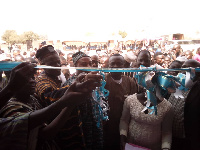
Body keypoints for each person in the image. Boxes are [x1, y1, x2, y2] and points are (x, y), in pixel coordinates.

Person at [0, 62, 102, 150]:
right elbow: (46, 134)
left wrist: (71, 101)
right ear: (12, 80)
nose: (32, 81)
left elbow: (50, 113)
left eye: (32, 77)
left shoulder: (33, 98)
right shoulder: (11, 107)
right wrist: (68, 103)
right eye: (25, 79)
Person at [120, 50, 173, 150]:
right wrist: (123, 137)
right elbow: (124, 120)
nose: (143, 63)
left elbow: (167, 132)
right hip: (131, 145)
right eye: (141, 60)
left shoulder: (167, 107)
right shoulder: (130, 100)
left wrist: (165, 147)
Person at [103, 54, 138, 150]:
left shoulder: (130, 82)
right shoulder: (103, 81)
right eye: (112, 64)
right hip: (107, 127)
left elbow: (134, 104)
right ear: (108, 66)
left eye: (119, 64)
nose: (115, 66)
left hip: (125, 125)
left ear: (124, 66)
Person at [182, 59, 200, 150]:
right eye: (182, 68)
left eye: (188, 69)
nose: (183, 71)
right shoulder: (174, 85)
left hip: (191, 140)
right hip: (173, 138)